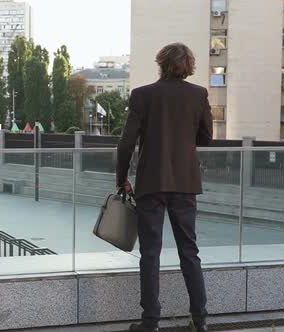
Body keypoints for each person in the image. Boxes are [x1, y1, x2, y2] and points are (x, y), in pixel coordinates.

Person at [116, 43, 213, 332]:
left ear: (161, 63)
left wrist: (121, 179)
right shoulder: (199, 95)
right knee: (189, 252)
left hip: (151, 183)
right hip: (185, 183)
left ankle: (151, 322)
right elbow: (206, 139)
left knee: (150, 254)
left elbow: (126, 143)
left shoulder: (142, 95)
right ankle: (200, 320)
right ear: (189, 66)